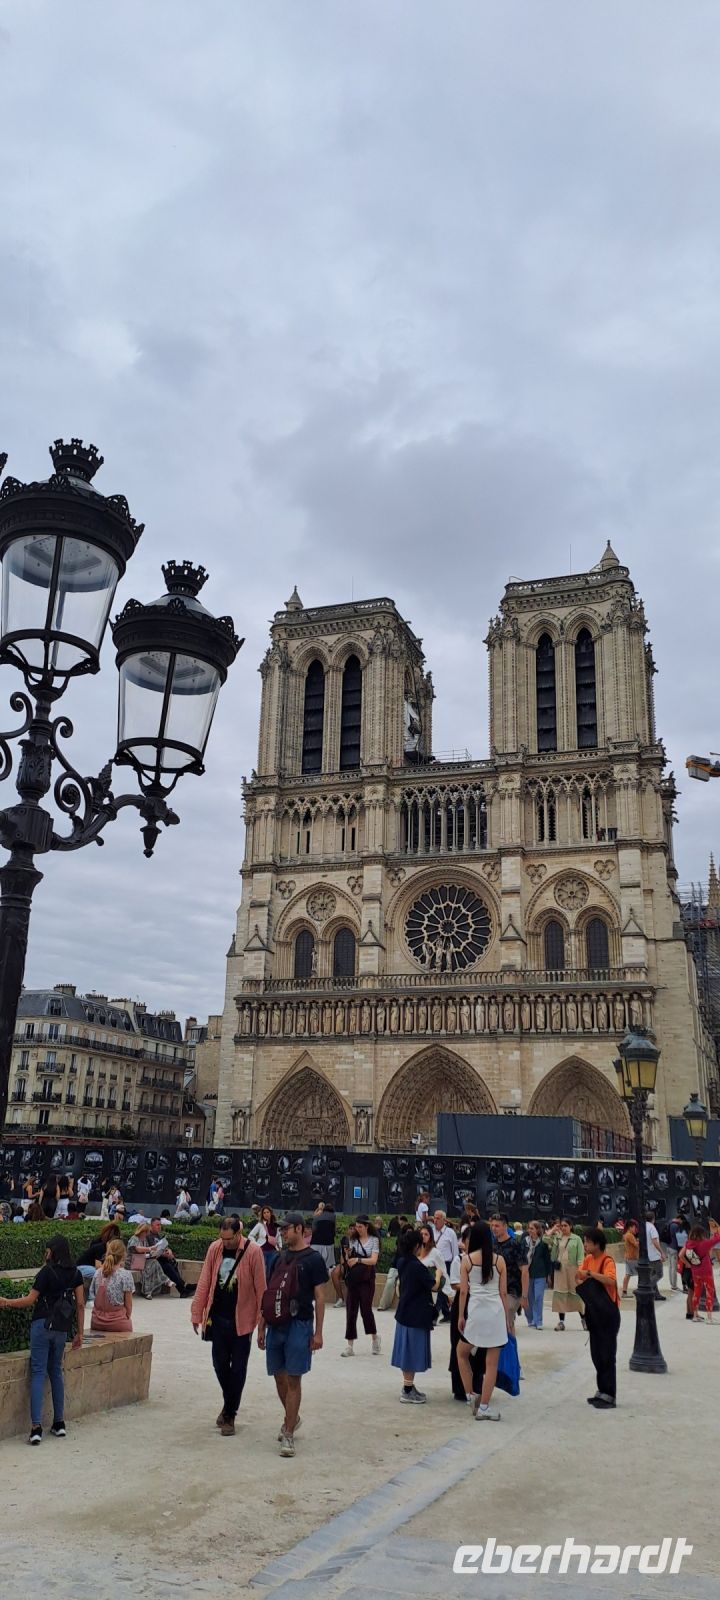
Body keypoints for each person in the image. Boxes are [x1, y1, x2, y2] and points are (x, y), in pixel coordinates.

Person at [0, 1233, 84, 1444]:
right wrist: (80, 1333)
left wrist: (6, 1302)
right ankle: (59, 1423)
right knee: (55, 1371)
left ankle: (36, 1427)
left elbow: (30, 1300)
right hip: (62, 1328)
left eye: (47, 1250)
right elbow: (81, 1304)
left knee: (38, 1372)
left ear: (52, 1251)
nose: (45, 1253)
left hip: (42, 1324)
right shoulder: (75, 1273)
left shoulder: (46, 1272)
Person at [257, 1211, 328, 1458]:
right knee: (278, 1377)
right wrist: (261, 1324)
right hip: (276, 1323)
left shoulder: (314, 1259)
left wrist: (318, 1333)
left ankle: (288, 1432)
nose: (282, 1232)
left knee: (294, 1379)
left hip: (299, 1324)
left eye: (286, 1229)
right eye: (281, 1229)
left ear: (299, 1229)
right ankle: (292, 1417)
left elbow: (320, 1298)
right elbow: (269, 1293)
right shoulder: (278, 1258)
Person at [191, 1216, 265, 1435]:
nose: (225, 1243)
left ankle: (230, 1414)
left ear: (238, 1233)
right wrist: (197, 1312)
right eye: (222, 1239)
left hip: (242, 1320)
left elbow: (262, 1288)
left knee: (239, 1368)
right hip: (218, 1318)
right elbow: (205, 1280)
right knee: (219, 1365)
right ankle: (229, 1403)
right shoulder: (215, 1249)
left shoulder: (253, 1252)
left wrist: (262, 1324)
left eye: (229, 1239)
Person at [457, 1221, 510, 1420]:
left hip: (476, 1313)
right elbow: (503, 1293)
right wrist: (507, 1320)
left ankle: (471, 1394)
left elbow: (464, 1291)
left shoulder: (467, 1260)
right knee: (491, 1364)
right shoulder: (500, 1261)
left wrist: (461, 1315)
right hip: (495, 1314)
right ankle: (485, 1406)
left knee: (461, 1353)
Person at [576, 1228, 621, 1409]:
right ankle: (601, 1390)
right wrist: (585, 1275)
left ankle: (609, 1394)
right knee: (596, 1354)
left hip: (608, 1313)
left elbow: (611, 1280)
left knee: (607, 1354)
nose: (585, 1245)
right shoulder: (588, 1259)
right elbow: (578, 1276)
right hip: (594, 1312)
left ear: (597, 1243)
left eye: (587, 1242)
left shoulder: (606, 1260)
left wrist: (590, 1275)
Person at [391, 1227, 435, 1403]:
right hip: (415, 1315)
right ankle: (408, 1390)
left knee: (406, 1351)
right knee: (411, 1352)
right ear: (417, 1245)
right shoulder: (417, 1266)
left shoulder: (402, 1261)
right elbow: (433, 1285)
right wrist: (439, 1274)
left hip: (404, 1312)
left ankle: (408, 1385)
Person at [342, 1216, 381, 1357]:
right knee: (351, 1311)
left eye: (360, 1226)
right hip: (353, 1279)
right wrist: (348, 1255)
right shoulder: (352, 1240)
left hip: (367, 1280)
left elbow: (373, 1260)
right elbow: (349, 1260)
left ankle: (375, 1338)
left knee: (366, 1310)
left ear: (366, 1226)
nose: (357, 1229)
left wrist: (358, 1259)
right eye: (356, 1226)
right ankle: (349, 1345)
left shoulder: (374, 1240)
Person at [489, 1214, 528, 1330]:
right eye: (492, 1226)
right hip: (495, 1290)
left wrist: (524, 1296)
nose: (494, 1228)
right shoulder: (492, 1245)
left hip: (512, 1290)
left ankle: (510, 1347)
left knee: (507, 1323)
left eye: (497, 1226)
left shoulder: (515, 1245)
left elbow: (525, 1271)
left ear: (505, 1226)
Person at [91, 1241, 135, 1334]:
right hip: (118, 1323)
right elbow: (129, 1306)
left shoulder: (97, 1273)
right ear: (123, 1255)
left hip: (97, 1322)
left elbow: (93, 1295)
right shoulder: (126, 1275)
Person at [548, 1219, 585, 1330]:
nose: (563, 1228)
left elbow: (581, 1255)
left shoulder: (576, 1239)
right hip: (560, 1270)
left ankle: (584, 1319)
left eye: (565, 1225)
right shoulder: (557, 1238)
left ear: (570, 1226)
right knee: (560, 1293)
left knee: (576, 1294)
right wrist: (553, 1230)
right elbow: (545, 1239)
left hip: (573, 1269)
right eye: (562, 1226)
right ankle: (561, 1321)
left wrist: (580, 1270)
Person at [684, 1223, 720, 1322]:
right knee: (709, 1293)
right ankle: (709, 1317)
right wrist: (715, 1231)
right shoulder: (704, 1243)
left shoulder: (688, 1243)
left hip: (695, 1271)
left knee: (696, 1292)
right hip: (706, 1271)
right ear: (702, 1234)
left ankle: (695, 1315)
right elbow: (717, 1239)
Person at [76, 1222, 122, 1295]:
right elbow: (98, 1266)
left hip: (92, 1267)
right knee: (99, 1273)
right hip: (82, 1268)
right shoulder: (100, 1247)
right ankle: (92, 1297)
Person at [147, 1217, 190, 1295]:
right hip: (154, 1261)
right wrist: (162, 1253)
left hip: (161, 1258)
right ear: (151, 1225)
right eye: (157, 1225)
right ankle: (183, 1289)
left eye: (160, 1225)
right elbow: (151, 1251)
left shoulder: (158, 1235)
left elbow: (163, 1246)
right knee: (168, 1267)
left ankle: (183, 1286)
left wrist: (168, 1251)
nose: (159, 1227)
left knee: (173, 1263)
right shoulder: (148, 1236)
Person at [126, 1221, 167, 1299]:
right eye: (145, 1232)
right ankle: (148, 1290)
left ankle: (148, 1290)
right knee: (149, 1267)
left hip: (141, 1261)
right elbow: (137, 1249)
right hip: (132, 1263)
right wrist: (150, 1248)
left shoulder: (144, 1240)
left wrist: (154, 1252)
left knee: (154, 1262)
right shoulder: (134, 1238)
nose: (146, 1234)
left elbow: (146, 1252)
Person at [432, 1210, 459, 1322]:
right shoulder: (431, 1231)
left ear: (444, 1220)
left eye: (438, 1218)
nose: (435, 1220)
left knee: (442, 1288)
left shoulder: (450, 1233)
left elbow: (455, 1252)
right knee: (440, 1289)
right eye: (434, 1218)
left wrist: (455, 1267)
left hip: (446, 1264)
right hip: (434, 1264)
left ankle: (435, 1314)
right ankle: (447, 1313)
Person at [526, 1221, 552, 1329]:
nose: (530, 1230)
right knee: (529, 1297)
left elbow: (547, 1260)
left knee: (538, 1297)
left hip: (540, 1273)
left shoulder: (543, 1243)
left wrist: (548, 1275)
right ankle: (531, 1319)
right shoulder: (525, 1242)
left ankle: (538, 1320)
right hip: (527, 1274)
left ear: (537, 1230)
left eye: (532, 1228)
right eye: (529, 1228)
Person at [249, 1206, 282, 1280]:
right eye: (264, 1213)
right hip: (262, 1250)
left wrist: (280, 1246)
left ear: (271, 1213)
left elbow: (279, 1236)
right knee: (261, 1271)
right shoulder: (260, 1225)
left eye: (268, 1212)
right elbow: (250, 1235)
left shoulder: (276, 1225)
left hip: (273, 1251)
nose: (266, 1214)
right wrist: (257, 1246)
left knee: (270, 1271)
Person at [310, 1202, 336, 1276]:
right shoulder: (333, 1216)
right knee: (327, 1265)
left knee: (314, 1264)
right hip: (328, 1243)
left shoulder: (317, 1215)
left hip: (315, 1242)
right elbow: (334, 1230)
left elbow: (313, 1229)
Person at [645, 1210, 666, 1301]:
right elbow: (654, 1241)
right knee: (659, 1274)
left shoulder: (644, 1226)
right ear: (653, 1218)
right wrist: (662, 1252)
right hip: (654, 1256)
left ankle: (656, 1295)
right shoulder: (652, 1228)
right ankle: (647, 1287)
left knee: (653, 1274)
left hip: (647, 1256)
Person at [621, 1219, 640, 1298]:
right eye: (635, 1228)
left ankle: (624, 1292)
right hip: (632, 1258)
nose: (636, 1230)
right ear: (630, 1227)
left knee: (628, 1275)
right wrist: (640, 1240)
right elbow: (636, 1245)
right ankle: (640, 1289)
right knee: (642, 1273)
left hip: (628, 1257)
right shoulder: (629, 1235)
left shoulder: (627, 1234)